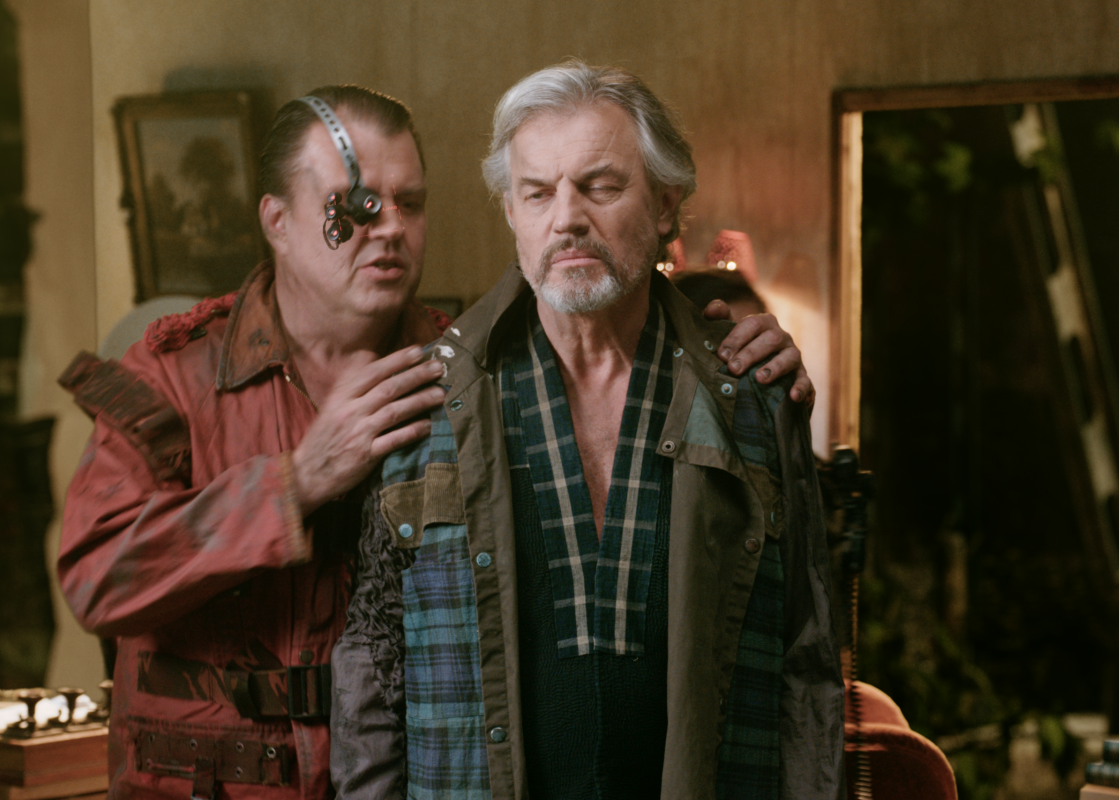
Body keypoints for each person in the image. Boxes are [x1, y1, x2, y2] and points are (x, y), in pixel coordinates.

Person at [57, 86, 814, 800]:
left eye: (409, 204)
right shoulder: (179, 372)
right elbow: (95, 575)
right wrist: (296, 481)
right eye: (355, 206)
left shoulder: (467, 371)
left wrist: (735, 357)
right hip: (213, 781)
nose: (389, 227)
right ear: (278, 221)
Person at [331, 61, 842, 800]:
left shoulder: (751, 401)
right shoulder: (424, 404)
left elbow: (807, 664)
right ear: (512, 212)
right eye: (538, 192)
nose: (566, 217)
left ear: (665, 204)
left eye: (600, 187)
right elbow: (374, 674)